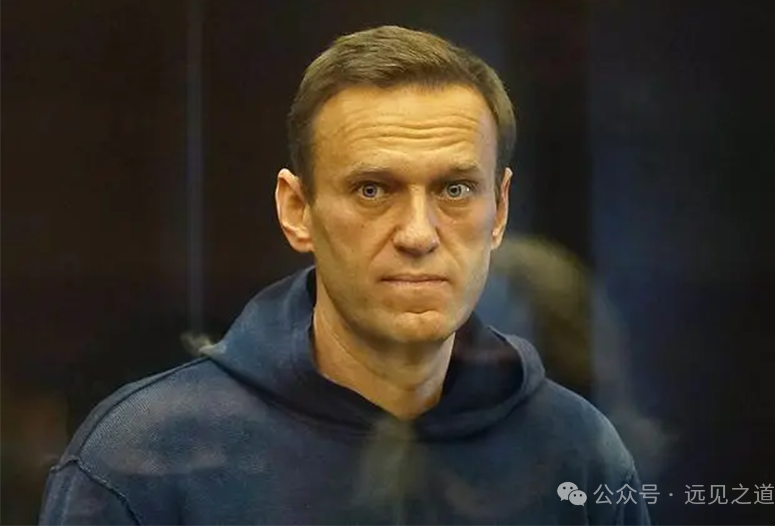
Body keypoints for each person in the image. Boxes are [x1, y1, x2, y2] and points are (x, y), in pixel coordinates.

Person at [39, 25, 651, 525]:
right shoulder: (146, 458)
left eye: (455, 189)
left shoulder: (577, 449)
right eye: (372, 189)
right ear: (296, 210)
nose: (418, 234)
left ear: (501, 210)